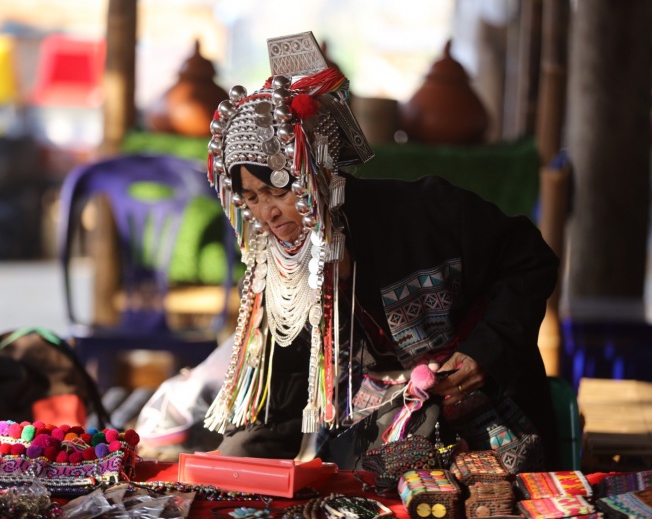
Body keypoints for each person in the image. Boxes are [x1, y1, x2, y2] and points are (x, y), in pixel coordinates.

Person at [202, 32, 561, 473]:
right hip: (377, 435)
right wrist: (233, 469)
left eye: (278, 191)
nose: (267, 213)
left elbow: (529, 259)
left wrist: (486, 351)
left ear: (318, 174)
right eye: (251, 199)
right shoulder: (282, 268)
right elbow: (283, 386)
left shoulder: (426, 213)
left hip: (489, 416)